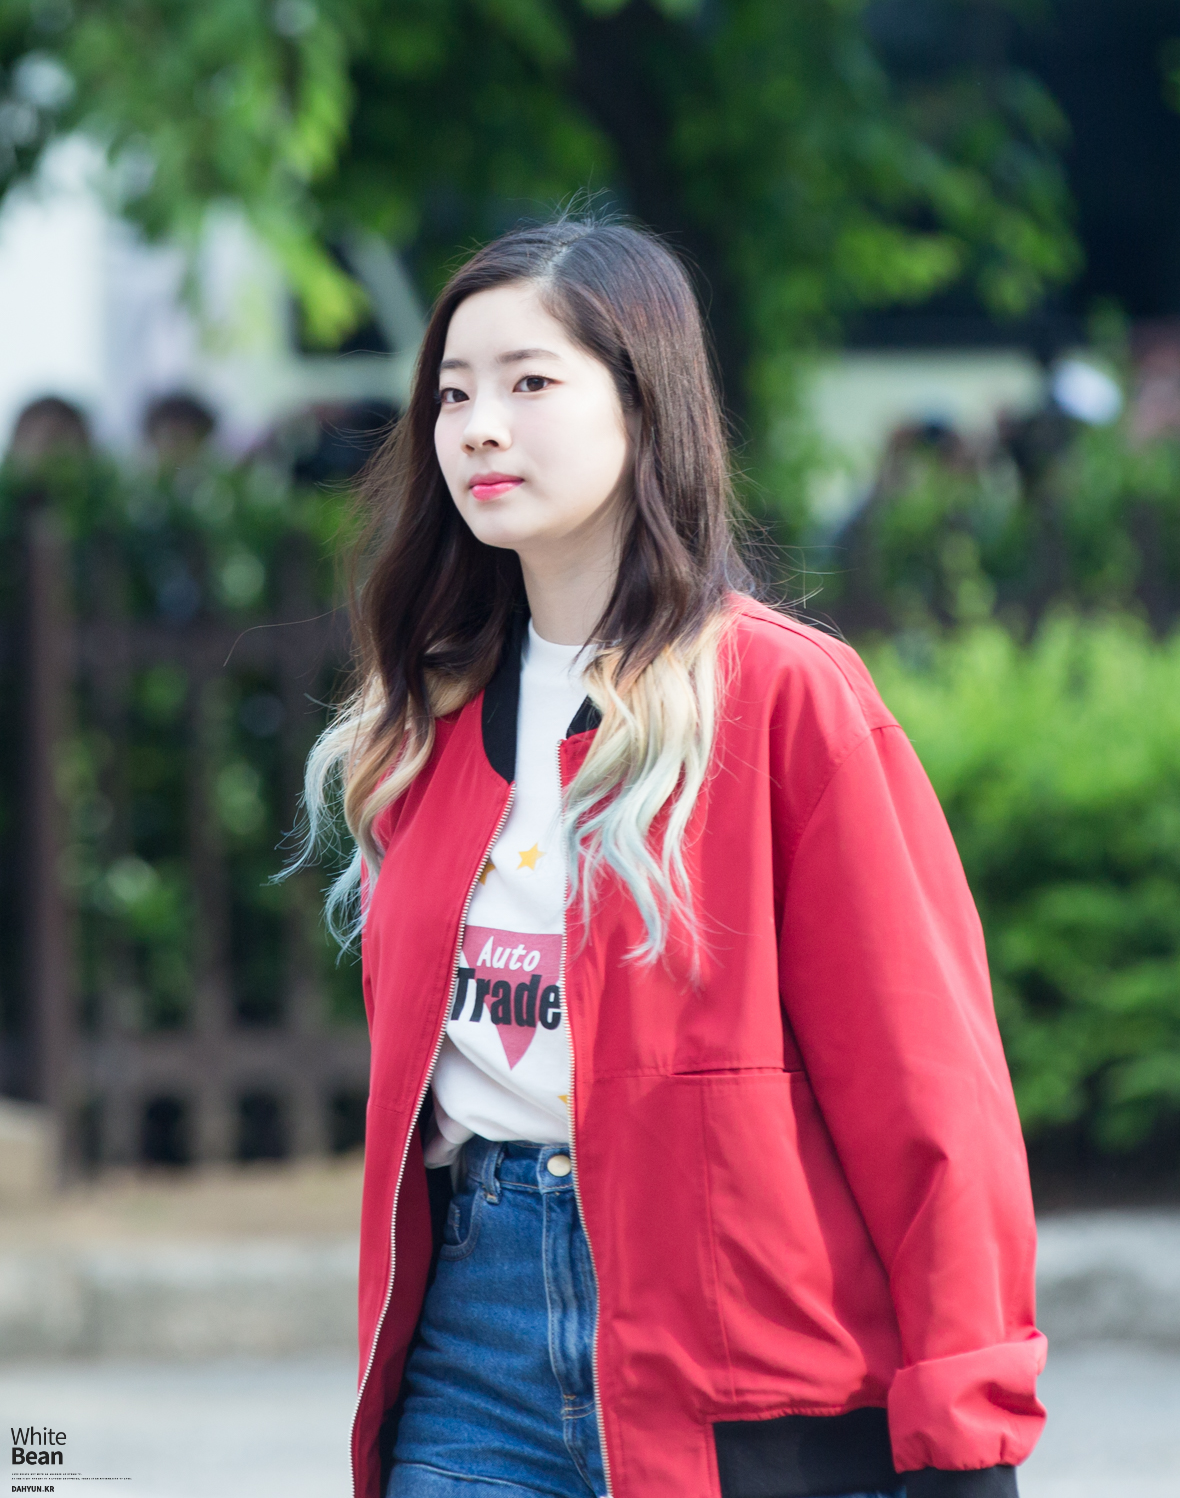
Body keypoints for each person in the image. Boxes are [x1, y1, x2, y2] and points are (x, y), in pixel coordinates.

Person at [295, 217, 1046, 1498]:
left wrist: (965, 1431)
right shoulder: (419, 720)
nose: (479, 427)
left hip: (738, 1355)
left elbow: (926, 1091)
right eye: (454, 393)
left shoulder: (785, 698)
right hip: (471, 1356)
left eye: (531, 382)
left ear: (644, 405)